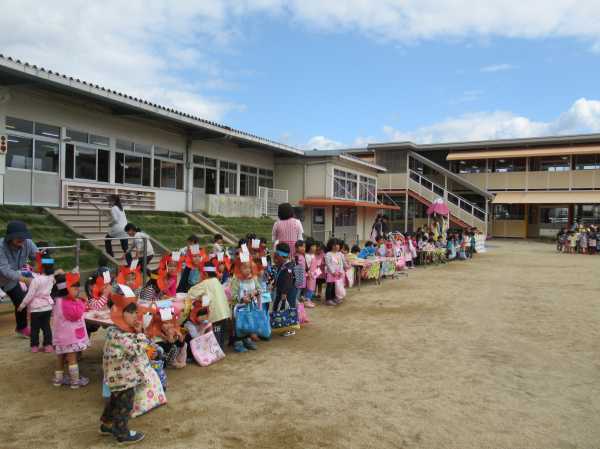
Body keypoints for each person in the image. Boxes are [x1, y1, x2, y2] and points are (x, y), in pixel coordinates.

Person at [101, 289, 148, 445]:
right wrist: (141, 334)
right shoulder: (120, 336)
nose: (135, 315)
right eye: (131, 313)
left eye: (135, 312)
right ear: (120, 313)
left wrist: (136, 331)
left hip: (116, 377)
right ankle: (122, 433)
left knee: (115, 401)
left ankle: (107, 425)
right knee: (125, 405)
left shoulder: (114, 331)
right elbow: (138, 349)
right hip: (124, 379)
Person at [0, 220, 38, 337]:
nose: (22, 240)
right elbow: (5, 270)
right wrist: (26, 280)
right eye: (18, 237)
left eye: (23, 237)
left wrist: (49, 265)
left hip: (10, 280)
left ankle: (21, 328)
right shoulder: (1, 246)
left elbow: (38, 257)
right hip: (5, 274)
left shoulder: (28, 243)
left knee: (21, 300)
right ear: (10, 237)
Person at [52, 272, 90, 389]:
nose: (78, 290)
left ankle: (58, 380)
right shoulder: (68, 302)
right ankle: (75, 381)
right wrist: (81, 303)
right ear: (66, 289)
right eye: (75, 288)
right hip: (70, 337)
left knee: (60, 357)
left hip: (60, 336)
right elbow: (76, 314)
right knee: (72, 358)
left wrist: (77, 300)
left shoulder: (57, 300)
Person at [187, 258, 232, 351]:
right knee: (221, 334)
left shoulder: (205, 283)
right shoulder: (216, 281)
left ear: (205, 274)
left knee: (215, 334)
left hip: (215, 315)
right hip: (224, 313)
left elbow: (191, 292)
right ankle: (220, 350)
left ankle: (215, 352)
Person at [17, 254, 55, 352]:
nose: (33, 267)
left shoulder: (36, 280)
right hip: (47, 307)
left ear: (42, 267)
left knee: (35, 328)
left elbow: (30, 295)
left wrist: (22, 305)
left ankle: (34, 346)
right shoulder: (51, 278)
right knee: (46, 327)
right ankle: (48, 345)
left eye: (36, 265)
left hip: (36, 308)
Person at [272, 242, 297, 337]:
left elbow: (288, 281)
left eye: (277, 256)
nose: (275, 258)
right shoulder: (283, 264)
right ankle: (283, 326)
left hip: (288, 292)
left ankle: (290, 329)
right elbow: (278, 276)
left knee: (288, 309)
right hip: (282, 290)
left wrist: (284, 293)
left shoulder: (288, 267)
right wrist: (274, 284)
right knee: (281, 308)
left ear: (281, 256)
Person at [105, 195, 130, 264]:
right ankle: (130, 263)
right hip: (125, 228)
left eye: (109, 201)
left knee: (107, 239)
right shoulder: (121, 208)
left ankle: (110, 256)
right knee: (125, 248)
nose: (109, 202)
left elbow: (115, 220)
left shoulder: (113, 208)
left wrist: (110, 224)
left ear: (113, 201)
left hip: (118, 228)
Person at [325, 238, 345, 306]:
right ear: (330, 245)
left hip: (337, 273)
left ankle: (334, 297)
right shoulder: (328, 254)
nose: (336, 246)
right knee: (329, 286)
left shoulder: (339, 254)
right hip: (331, 273)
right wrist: (333, 272)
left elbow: (341, 263)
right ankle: (328, 299)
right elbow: (328, 264)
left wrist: (340, 271)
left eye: (337, 245)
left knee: (335, 286)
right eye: (334, 245)